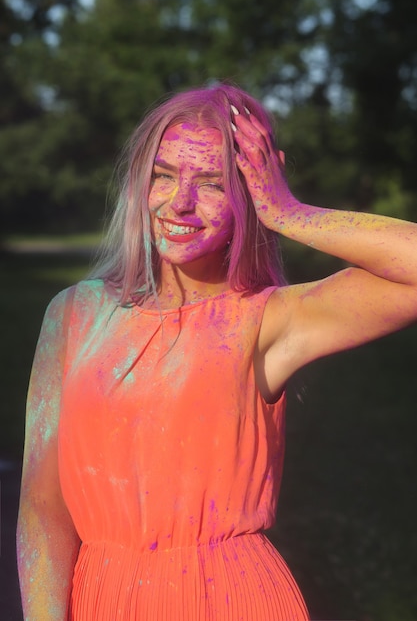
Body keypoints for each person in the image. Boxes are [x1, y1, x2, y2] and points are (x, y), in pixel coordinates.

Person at [16, 83, 417, 621]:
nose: (179, 202)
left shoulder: (267, 319)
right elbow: (42, 509)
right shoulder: (74, 315)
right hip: (100, 598)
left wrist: (288, 212)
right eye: (163, 175)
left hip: (231, 600)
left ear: (249, 193)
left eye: (211, 183)